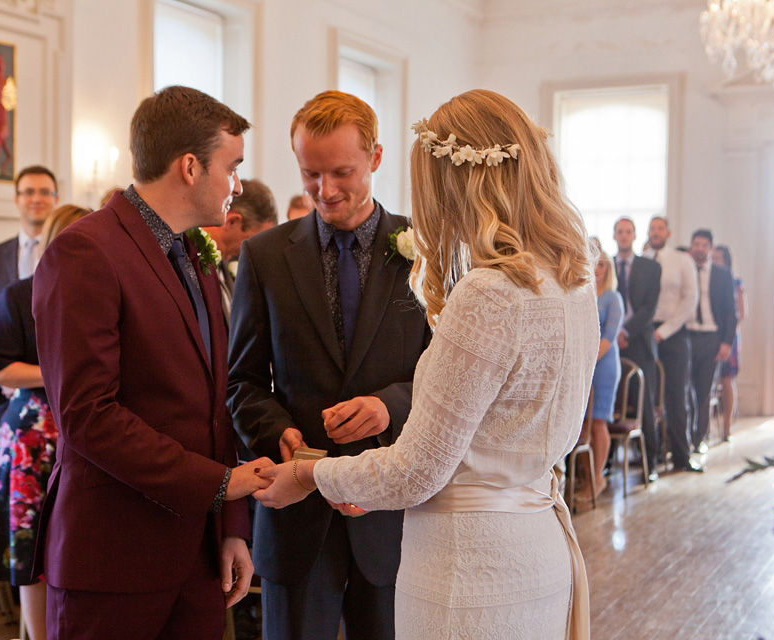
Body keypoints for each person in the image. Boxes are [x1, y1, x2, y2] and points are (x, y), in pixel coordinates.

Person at [251, 89, 598, 639]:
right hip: (537, 548)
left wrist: (307, 472)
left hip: (468, 570)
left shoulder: (487, 292)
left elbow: (416, 471)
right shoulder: (574, 279)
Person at [31, 85, 272, 640]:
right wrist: (219, 484)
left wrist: (232, 527)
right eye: (231, 167)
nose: (236, 184)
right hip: (115, 554)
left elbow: (217, 399)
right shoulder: (85, 251)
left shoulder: (193, 251)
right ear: (190, 166)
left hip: (197, 551)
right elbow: (88, 416)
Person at [228, 90, 431, 640]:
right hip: (298, 514)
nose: (325, 190)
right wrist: (278, 434)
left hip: (393, 513)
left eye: (342, 172)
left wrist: (389, 406)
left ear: (377, 158)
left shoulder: (426, 250)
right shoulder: (265, 256)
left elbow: (447, 377)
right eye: (310, 174)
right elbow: (241, 381)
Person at [0, 204, 90, 640]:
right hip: (33, 438)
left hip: (82, 429)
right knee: (30, 548)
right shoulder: (20, 294)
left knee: (74, 546)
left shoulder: (101, 292)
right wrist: (59, 373)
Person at [0, 165, 59, 420]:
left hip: (52, 389)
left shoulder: (68, 254)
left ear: (56, 199)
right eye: (28, 192)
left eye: (45, 192)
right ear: (16, 199)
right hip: (1, 391)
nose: (36, 199)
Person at [642, 216, 701, 472]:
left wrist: (664, 332)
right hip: (644, 332)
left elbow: (690, 299)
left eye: (660, 229)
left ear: (668, 232)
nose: (656, 233)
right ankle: (649, 458)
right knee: (648, 396)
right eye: (652, 229)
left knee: (677, 397)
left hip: (674, 334)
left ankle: (681, 456)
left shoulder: (682, 260)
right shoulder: (641, 260)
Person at [613, 217, 661, 477]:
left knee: (644, 403)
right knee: (612, 403)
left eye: (628, 232)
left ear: (634, 236)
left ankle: (649, 462)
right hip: (610, 343)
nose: (624, 236)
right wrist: (614, 334)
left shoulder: (650, 268)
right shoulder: (605, 265)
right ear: (614, 236)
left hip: (639, 342)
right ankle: (607, 462)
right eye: (619, 232)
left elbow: (649, 308)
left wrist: (627, 331)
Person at [686, 230, 737, 449]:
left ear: (710, 248)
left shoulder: (722, 274)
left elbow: (730, 312)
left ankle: (699, 439)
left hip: (711, 337)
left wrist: (726, 342)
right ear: (691, 246)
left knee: (704, 391)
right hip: (687, 335)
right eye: (696, 244)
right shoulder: (684, 270)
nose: (699, 248)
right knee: (684, 391)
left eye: (703, 245)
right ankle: (684, 439)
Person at [202, 178, 278, 321]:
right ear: (232, 222)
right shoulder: (189, 259)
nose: (251, 252)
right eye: (252, 242)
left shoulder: (225, 266)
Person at [583, 237, 624, 501]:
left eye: (601, 266)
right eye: (593, 265)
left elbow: (608, 338)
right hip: (585, 365)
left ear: (607, 270)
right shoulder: (582, 294)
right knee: (583, 423)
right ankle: (586, 479)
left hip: (604, 366)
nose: (597, 270)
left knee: (599, 422)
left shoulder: (613, 298)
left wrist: (585, 362)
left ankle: (598, 478)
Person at [712, 245, 745, 440]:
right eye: (712, 257)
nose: (715, 261)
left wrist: (727, 332)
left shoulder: (735, 281)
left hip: (729, 336)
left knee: (726, 380)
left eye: (718, 258)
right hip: (710, 335)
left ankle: (727, 427)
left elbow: (741, 312)